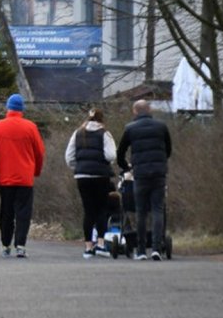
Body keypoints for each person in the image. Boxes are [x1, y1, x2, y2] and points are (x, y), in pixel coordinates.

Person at [0, 93, 45, 259]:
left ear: (8, 108)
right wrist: (36, 171)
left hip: (5, 179)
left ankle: (6, 245)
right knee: (23, 213)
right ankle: (20, 245)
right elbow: (40, 152)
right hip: (25, 178)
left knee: (6, 212)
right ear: (22, 109)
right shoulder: (30, 127)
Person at [116, 100, 172, 261]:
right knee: (157, 209)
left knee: (140, 211)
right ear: (150, 110)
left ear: (135, 111)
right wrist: (161, 162)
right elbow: (168, 149)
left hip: (140, 174)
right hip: (159, 173)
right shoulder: (161, 127)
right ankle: (156, 248)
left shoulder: (130, 128)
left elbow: (120, 152)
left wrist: (126, 166)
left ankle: (140, 250)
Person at [65, 108, 117, 258]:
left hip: (82, 176)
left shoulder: (78, 133)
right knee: (101, 209)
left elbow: (69, 157)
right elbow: (111, 155)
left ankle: (88, 247)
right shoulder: (105, 134)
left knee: (88, 211)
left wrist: (78, 167)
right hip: (100, 175)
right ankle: (100, 244)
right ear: (101, 119)